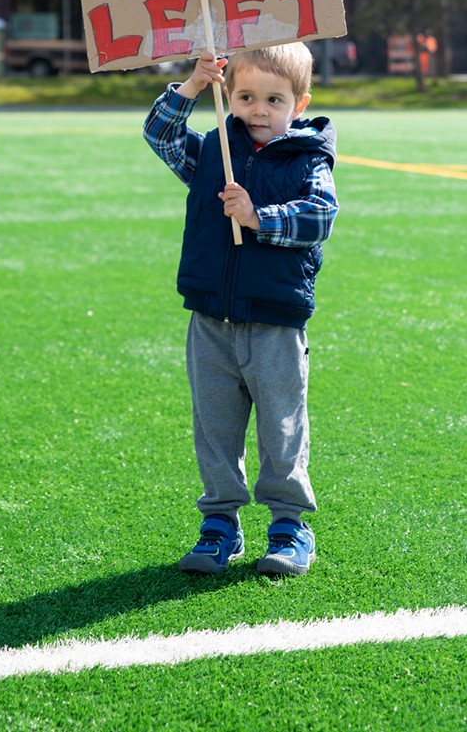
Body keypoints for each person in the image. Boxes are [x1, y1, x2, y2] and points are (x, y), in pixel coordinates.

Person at [143, 42, 338, 576]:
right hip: (211, 319)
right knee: (215, 427)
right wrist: (191, 85)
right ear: (228, 94)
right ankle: (220, 525)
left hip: (274, 320)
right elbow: (159, 135)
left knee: (281, 426)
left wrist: (258, 216)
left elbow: (320, 217)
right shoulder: (213, 150)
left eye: (274, 99)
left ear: (299, 103)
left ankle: (290, 525)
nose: (258, 109)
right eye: (246, 96)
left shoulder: (308, 158)